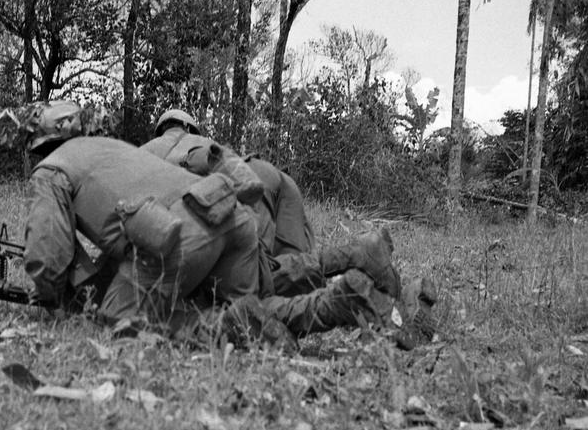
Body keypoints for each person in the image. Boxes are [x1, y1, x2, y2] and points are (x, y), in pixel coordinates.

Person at [0, 100, 405, 351]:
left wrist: (51, 300)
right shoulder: (112, 147)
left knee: (117, 317)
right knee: (257, 304)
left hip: (182, 232)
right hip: (232, 214)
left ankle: (236, 328)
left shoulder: (51, 171)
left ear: (38, 145)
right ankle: (345, 299)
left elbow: (49, 255)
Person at [141, 109, 436, 348]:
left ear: (161, 129)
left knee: (256, 287)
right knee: (283, 276)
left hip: (232, 186)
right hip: (265, 173)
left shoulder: (145, 153)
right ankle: (370, 272)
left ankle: (354, 295)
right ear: (191, 128)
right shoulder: (202, 141)